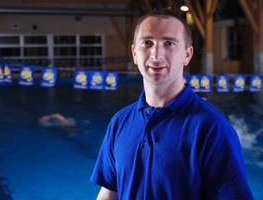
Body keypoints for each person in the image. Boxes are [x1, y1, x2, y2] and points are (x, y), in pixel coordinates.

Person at [91, 9, 253, 200]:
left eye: (169, 43)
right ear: (135, 53)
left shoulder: (212, 128)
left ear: (187, 55)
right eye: (147, 43)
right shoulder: (120, 122)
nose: (156, 54)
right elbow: (110, 192)